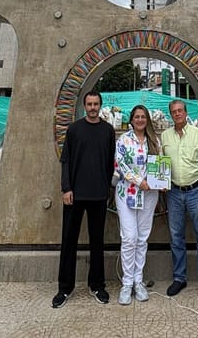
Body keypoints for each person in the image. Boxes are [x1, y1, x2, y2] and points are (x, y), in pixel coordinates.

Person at [52, 89, 116, 309]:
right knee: (69, 240)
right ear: (84, 106)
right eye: (89, 104)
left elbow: (110, 163)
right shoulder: (74, 129)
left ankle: (97, 285)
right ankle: (64, 287)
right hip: (75, 195)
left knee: (97, 242)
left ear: (100, 105)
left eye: (96, 104)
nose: (92, 107)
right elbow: (66, 161)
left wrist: (106, 187)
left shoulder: (108, 131)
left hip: (98, 194)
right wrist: (66, 188)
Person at [160, 99, 198, 300]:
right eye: (173, 111)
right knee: (176, 237)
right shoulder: (165, 136)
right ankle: (179, 277)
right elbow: (161, 161)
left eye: (180, 110)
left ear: (185, 112)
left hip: (196, 190)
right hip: (173, 192)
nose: (177, 114)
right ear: (170, 114)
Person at [114, 105, 160, 305]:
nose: (140, 120)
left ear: (147, 120)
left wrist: (161, 181)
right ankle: (126, 283)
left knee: (142, 238)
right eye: (137, 117)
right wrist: (138, 180)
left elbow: (160, 165)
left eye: (143, 117)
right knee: (129, 238)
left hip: (149, 195)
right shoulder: (123, 140)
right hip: (128, 194)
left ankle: (138, 281)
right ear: (131, 120)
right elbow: (120, 165)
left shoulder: (154, 140)